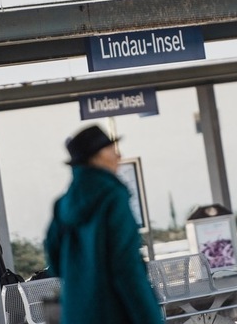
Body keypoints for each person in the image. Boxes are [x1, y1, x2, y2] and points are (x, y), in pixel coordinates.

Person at [44, 125, 163, 324]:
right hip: (114, 313)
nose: (118, 155)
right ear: (96, 157)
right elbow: (126, 267)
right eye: (111, 150)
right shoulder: (113, 197)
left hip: (76, 313)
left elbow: (55, 263)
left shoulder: (62, 205)